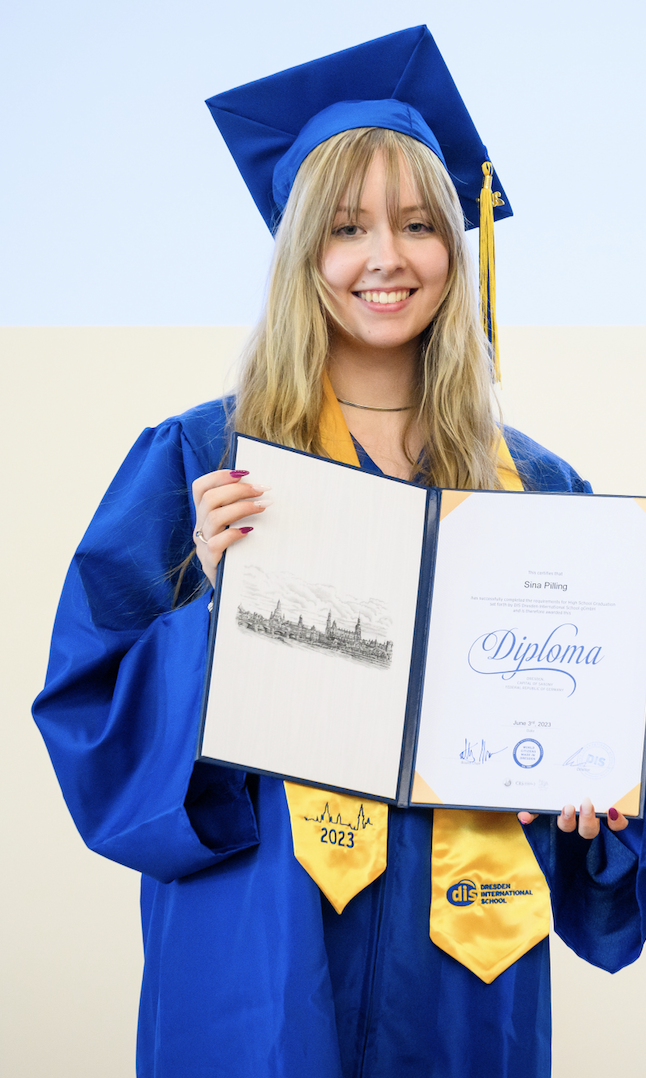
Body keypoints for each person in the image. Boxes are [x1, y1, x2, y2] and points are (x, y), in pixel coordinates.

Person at [33, 25, 645, 1078]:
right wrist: (219, 613)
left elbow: (597, 716)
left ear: (457, 248)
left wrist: (600, 796)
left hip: (465, 970)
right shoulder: (202, 459)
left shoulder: (534, 487)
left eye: (417, 224)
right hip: (262, 953)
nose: (384, 258)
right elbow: (91, 714)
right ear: (302, 250)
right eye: (346, 226)